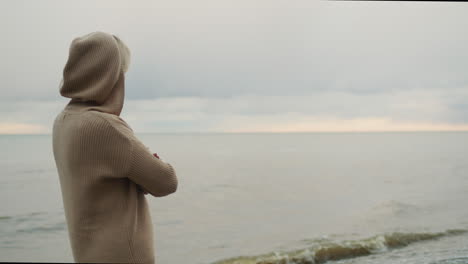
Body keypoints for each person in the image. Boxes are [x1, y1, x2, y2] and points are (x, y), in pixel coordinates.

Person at [52, 31, 178, 264]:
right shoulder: (105, 127)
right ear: (111, 76)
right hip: (124, 256)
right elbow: (166, 181)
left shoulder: (63, 122)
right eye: (122, 73)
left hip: (86, 254)